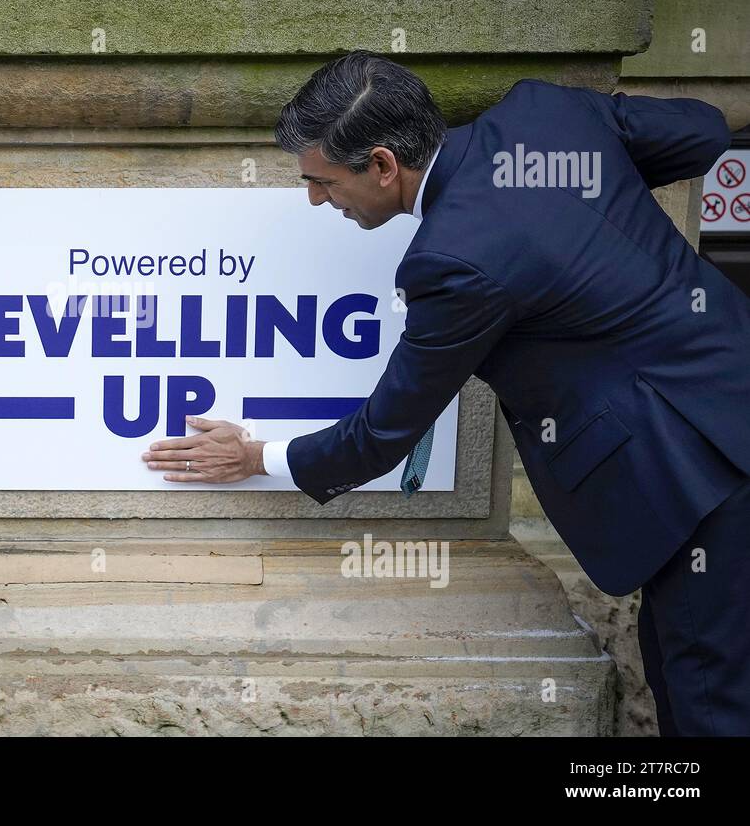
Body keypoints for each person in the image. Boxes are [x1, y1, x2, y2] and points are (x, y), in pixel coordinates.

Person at [144, 50, 750, 735]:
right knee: (681, 671)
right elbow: (704, 129)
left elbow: (383, 434)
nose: (315, 198)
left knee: (707, 694)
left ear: (381, 164)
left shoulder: (456, 261)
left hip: (702, 469)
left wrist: (257, 458)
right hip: (728, 402)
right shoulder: (544, 113)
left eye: (321, 181)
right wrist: (600, 197)